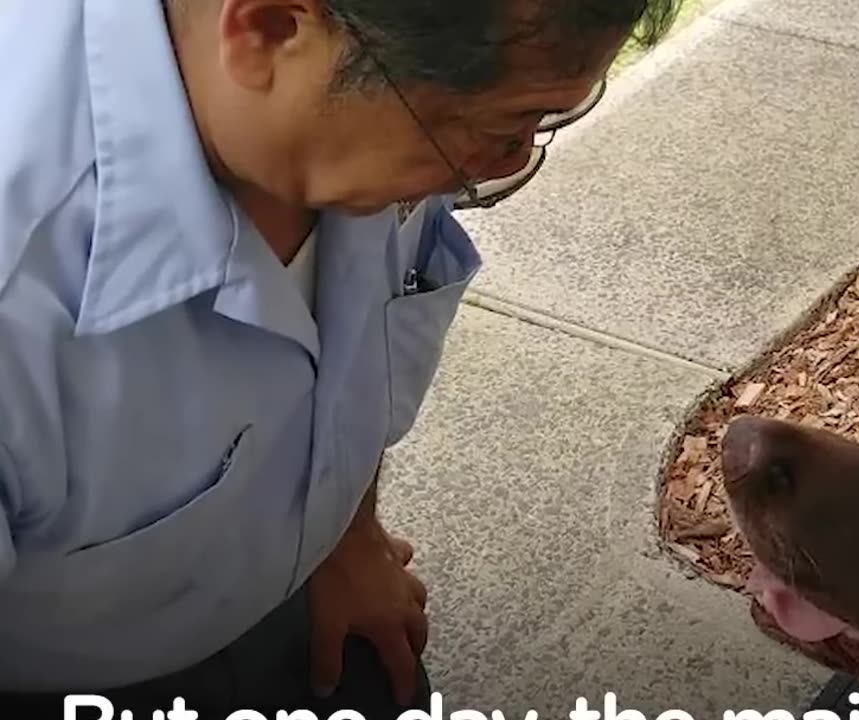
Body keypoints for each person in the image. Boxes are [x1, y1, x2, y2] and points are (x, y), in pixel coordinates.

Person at [0, 0, 677, 716]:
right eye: (497, 130)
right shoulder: (21, 280)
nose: (495, 167)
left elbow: (359, 332)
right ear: (268, 30)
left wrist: (345, 536)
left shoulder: (374, 84)